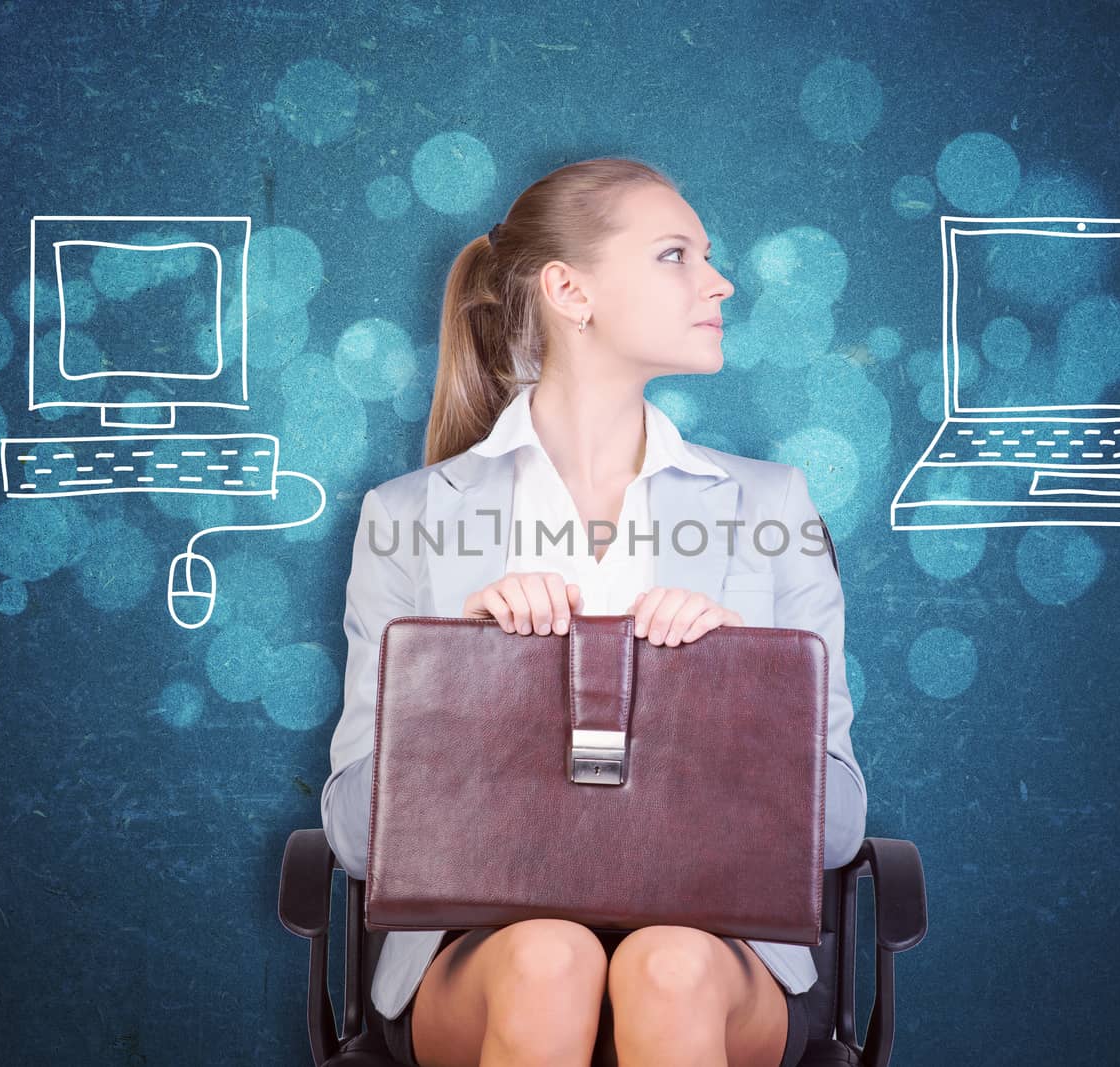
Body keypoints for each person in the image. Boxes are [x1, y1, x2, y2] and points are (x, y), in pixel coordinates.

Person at [321, 156, 868, 1067]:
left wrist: (741, 685)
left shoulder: (774, 506)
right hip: (481, 955)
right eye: (674, 254)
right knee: (550, 955)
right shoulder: (407, 517)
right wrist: (465, 671)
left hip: (720, 954)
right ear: (570, 289)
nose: (718, 280)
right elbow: (349, 833)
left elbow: (843, 821)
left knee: (665, 967)